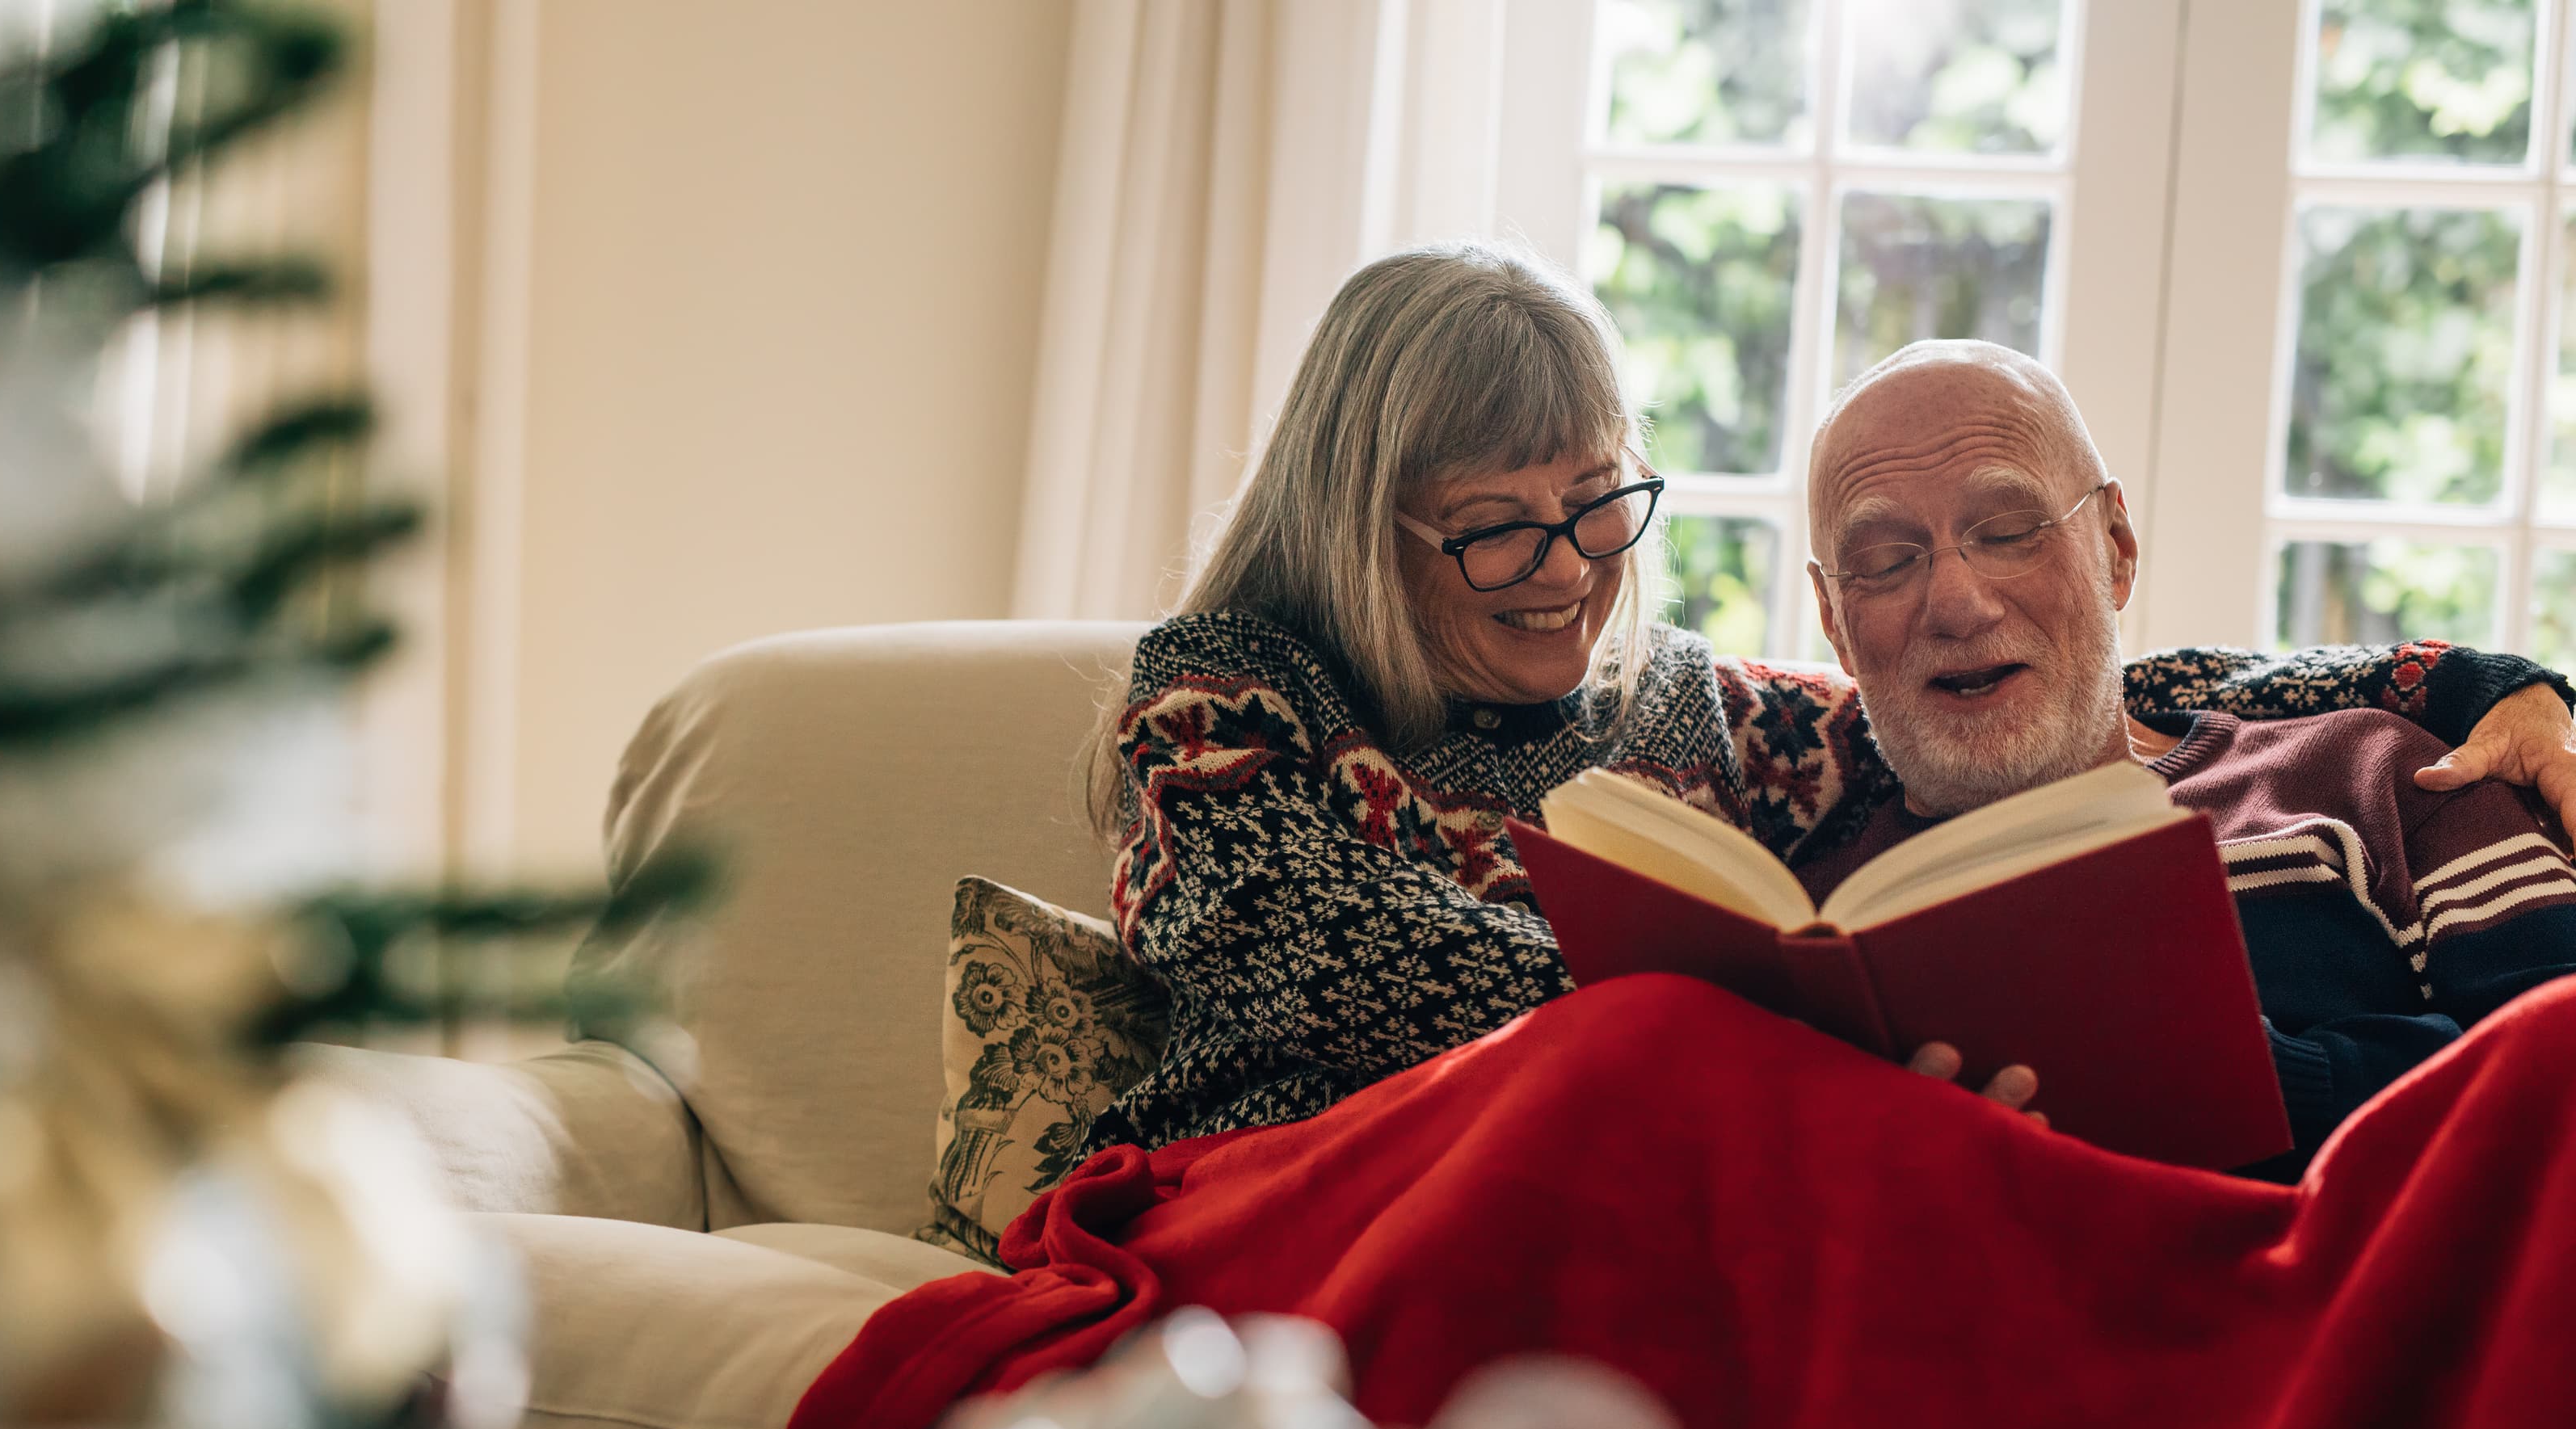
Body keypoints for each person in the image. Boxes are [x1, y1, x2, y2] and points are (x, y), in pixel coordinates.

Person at [1082, 242, 2576, 1159]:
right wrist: (1811, 1044)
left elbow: (2029, 695)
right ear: (1366, 521)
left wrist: (2473, 682)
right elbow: (1362, 975)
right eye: (1492, 526)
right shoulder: (1223, 703)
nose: (1564, 574)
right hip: (1288, 1175)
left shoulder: (1690, 713)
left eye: (1600, 508)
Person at [1795, 340, 2576, 1178]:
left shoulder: (2386, 776)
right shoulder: (1814, 922)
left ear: (2117, 549)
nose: (1955, 602)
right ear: (1835, 620)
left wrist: (2258, 1079)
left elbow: (2554, 1092)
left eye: (2010, 533)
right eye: (1885, 563)